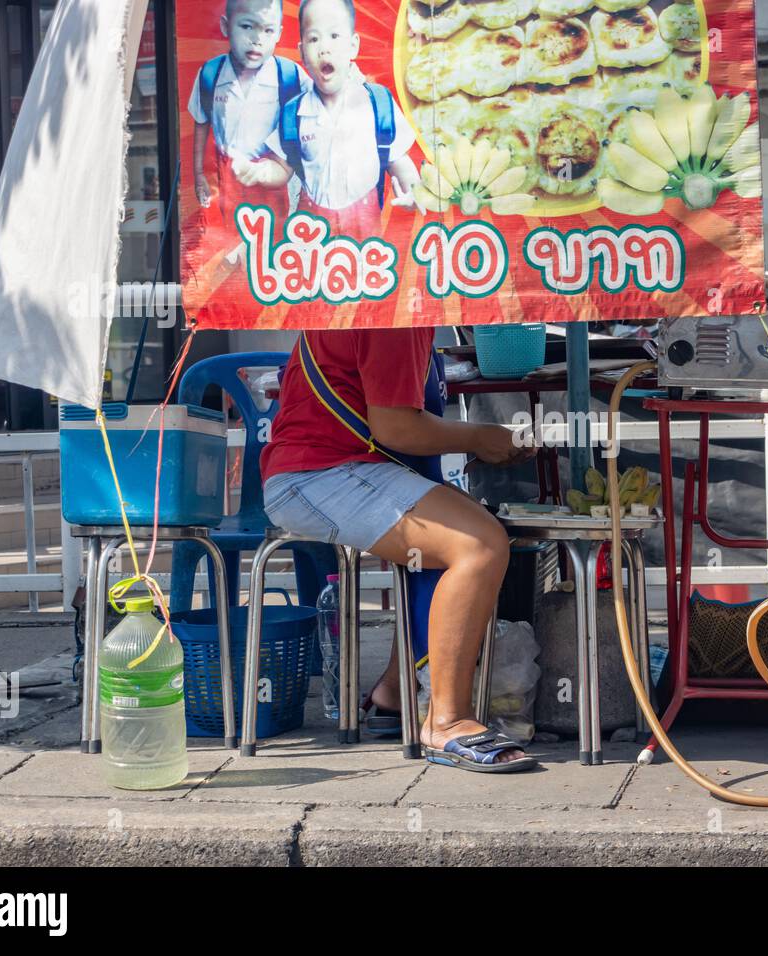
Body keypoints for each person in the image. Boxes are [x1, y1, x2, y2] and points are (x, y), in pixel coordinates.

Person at [260, 327, 538, 771]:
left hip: (337, 466)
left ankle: (394, 692)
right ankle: (446, 721)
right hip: (318, 473)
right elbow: (396, 426)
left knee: (463, 527)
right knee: (479, 546)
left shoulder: (378, 291)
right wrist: (481, 436)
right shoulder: (396, 312)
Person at [237, 0, 419, 237]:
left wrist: (414, 193)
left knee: (361, 273)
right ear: (302, 52)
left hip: (365, 228)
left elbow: (398, 160)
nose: (324, 48)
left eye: (334, 35)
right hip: (312, 231)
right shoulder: (295, 114)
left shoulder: (377, 104)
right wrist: (260, 171)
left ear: (353, 46)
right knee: (312, 275)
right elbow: (283, 167)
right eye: (314, 39)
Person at [188, 0, 310, 220]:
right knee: (229, 243)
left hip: (276, 178)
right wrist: (198, 174)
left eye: (268, 30)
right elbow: (201, 121)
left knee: (272, 245)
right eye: (247, 26)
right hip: (228, 179)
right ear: (226, 26)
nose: (257, 39)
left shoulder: (290, 76)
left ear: (279, 34)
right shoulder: (211, 74)